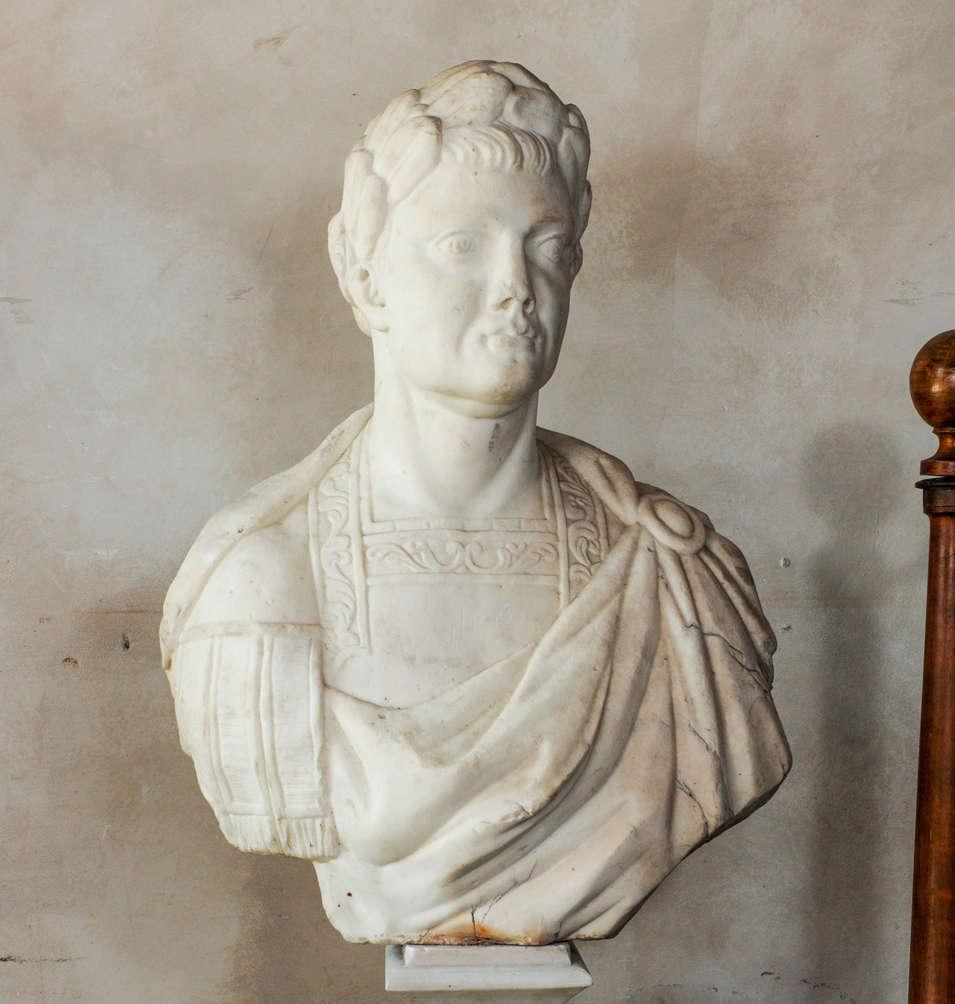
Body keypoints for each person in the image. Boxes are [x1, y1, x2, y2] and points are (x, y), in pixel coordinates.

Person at [160, 61, 791, 945]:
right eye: (462, 245)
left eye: (547, 248)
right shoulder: (261, 580)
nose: (515, 287)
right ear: (364, 272)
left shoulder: (665, 568)